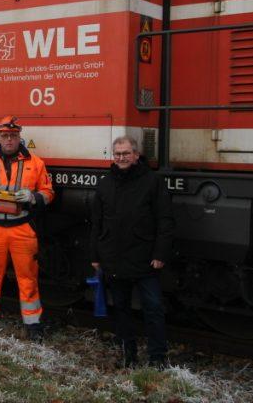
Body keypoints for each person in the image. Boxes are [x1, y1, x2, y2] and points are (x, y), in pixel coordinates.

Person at [0, 116, 54, 342]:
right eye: (5, 136)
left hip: (22, 228)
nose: (9, 140)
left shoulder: (36, 163)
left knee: (27, 279)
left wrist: (33, 197)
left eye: (13, 136)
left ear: (19, 137)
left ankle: (33, 324)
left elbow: (49, 192)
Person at [90, 136, 174, 369]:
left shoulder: (152, 182)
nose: (121, 158)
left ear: (136, 155)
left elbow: (165, 220)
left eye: (126, 153)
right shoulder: (106, 183)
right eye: (117, 154)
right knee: (122, 310)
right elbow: (97, 223)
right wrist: (95, 256)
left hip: (145, 259)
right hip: (115, 260)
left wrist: (160, 254)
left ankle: (157, 358)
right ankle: (129, 355)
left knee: (154, 308)